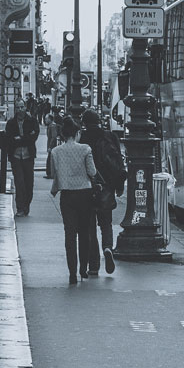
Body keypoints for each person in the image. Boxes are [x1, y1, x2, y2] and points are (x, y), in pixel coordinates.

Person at [47, 119, 102, 283]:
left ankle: (72, 272)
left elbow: (53, 173)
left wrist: (55, 188)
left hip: (67, 196)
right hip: (84, 194)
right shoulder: (85, 149)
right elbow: (92, 171)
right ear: (77, 133)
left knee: (69, 234)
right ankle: (83, 269)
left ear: (63, 134)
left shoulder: (56, 152)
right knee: (85, 233)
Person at [79, 110, 124, 274]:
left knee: (89, 227)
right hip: (107, 187)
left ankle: (94, 266)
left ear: (84, 122)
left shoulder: (82, 138)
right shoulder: (110, 136)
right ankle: (107, 248)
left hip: (87, 187)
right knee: (106, 224)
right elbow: (118, 162)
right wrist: (119, 185)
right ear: (99, 121)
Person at [0, 104, 40, 216]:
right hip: (16, 156)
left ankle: (26, 205)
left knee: (29, 183)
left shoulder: (32, 121)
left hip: (28, 156)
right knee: (19, 182)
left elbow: (33, 138)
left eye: (22, 107)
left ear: (25, 107)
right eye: (18, 107)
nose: (20, 109)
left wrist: (20, 138)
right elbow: (10, 140)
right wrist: (26, 138)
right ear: (15, 109)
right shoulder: (11, 123)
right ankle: (20, 207)